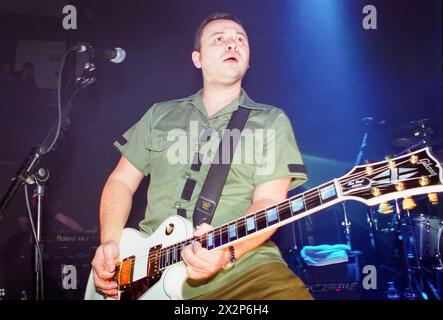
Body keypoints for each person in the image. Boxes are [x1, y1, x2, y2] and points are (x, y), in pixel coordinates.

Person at [91, 12, 312, 300]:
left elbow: (269, 201)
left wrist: (228, 251)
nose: (232, 45)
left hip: (244, 268)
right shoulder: (160, 114)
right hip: (145, 269)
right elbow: (121, 180)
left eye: (240, 40)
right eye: (219, 39)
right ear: (197, 58)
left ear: (249, 59)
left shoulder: (271, 121)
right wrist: (109, 242)